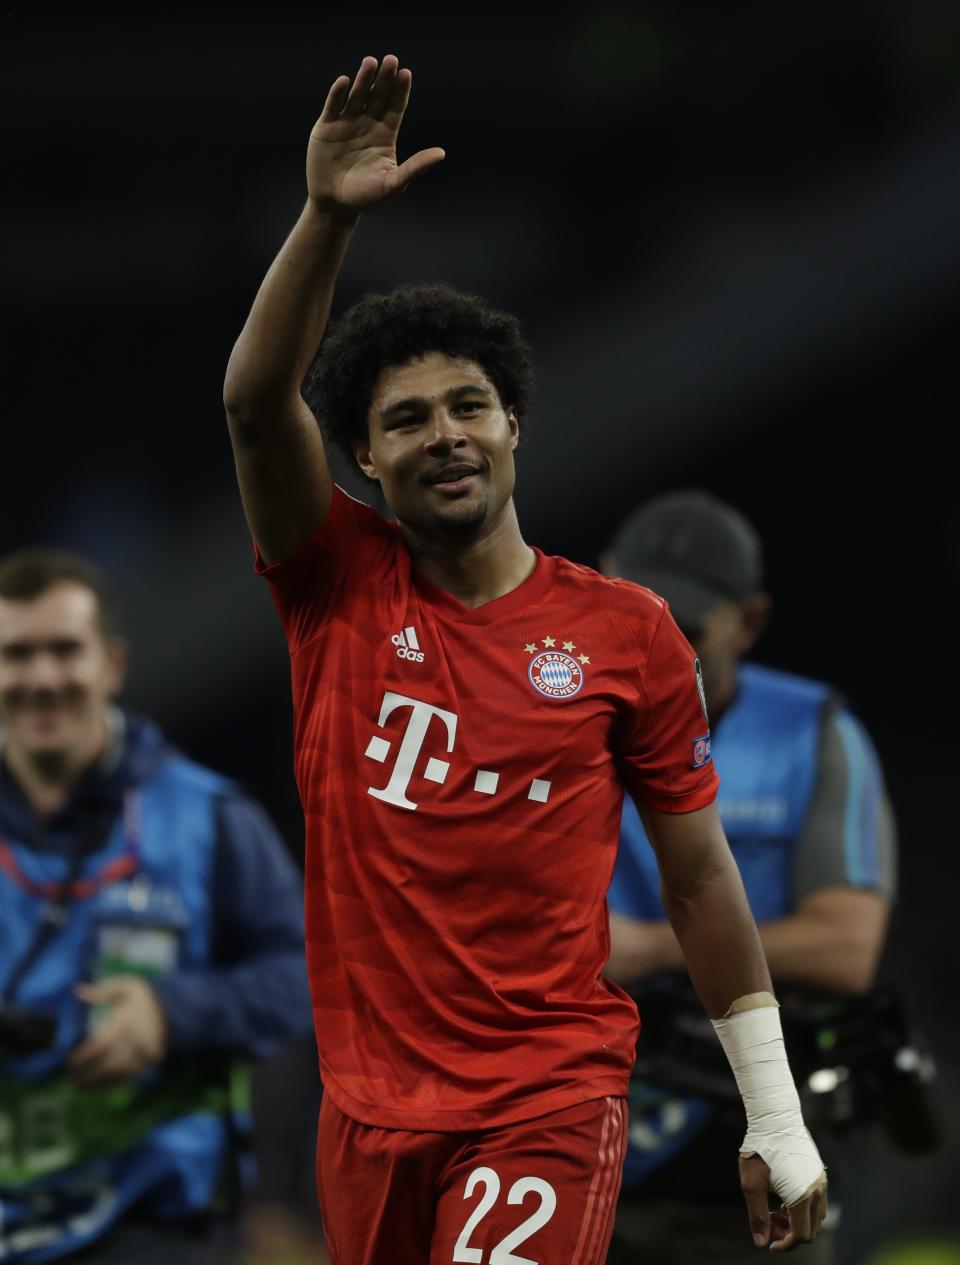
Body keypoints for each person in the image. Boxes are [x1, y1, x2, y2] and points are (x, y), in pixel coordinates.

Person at [222, 54, 827, 1264]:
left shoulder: (627, 632)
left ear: (514, 426)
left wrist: (775, 1104)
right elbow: (252, 399)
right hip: (370, 1110)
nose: (443, 432)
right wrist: (328, 218)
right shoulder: (333, 578)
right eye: (404, 418)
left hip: (545, 1099)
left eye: (468, 405)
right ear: (363, 460)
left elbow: (701, 880)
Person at [601, 490, 897, 1264]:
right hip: (582, 1145)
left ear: (751, 621)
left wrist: (651, 947)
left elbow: (846, 948)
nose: (662, 651)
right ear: (602, 585)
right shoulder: (558, 720)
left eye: (691, 632)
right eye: (644, 617)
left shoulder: (813, 735)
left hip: (744, 1157)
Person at [0, 548, 313, 1264]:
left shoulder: (209, 818)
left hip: (157, 1227)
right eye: (18, 653)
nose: (43, 678)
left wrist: (173, 1012)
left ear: (111, 663)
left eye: (64, 650)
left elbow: (305, 977)